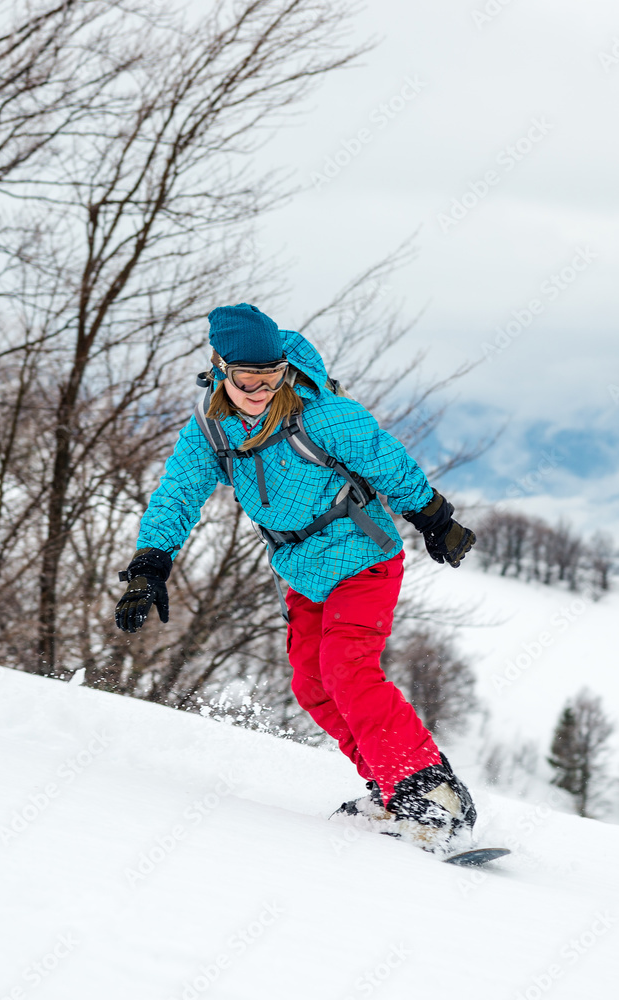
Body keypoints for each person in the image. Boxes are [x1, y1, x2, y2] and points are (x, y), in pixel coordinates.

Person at [114, 303, 478, 853]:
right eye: (245, 380)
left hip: (364, 558)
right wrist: (150, 564)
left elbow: (387, 461)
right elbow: (179, 491)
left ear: (283, 367)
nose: (260, 390)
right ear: (219, 367)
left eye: (271, 377)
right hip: (302, 571)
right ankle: (391, 788)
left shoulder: (321, 414)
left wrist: (434, 518)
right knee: (312, 685)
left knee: (346, 667)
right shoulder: (212, 426)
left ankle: (428, 790)